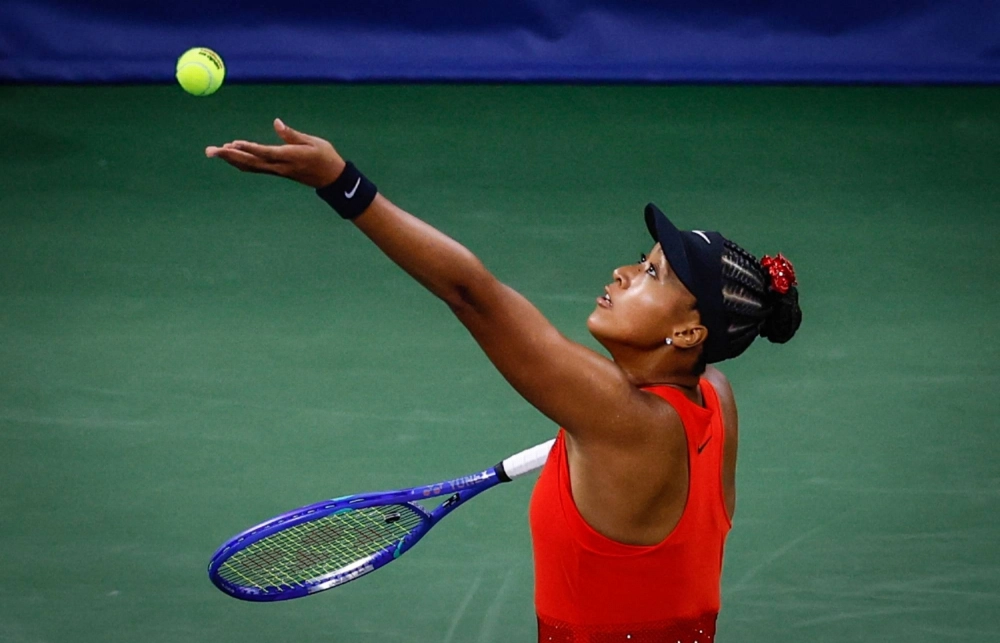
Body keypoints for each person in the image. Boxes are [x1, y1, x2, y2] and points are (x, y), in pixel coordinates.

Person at [206, 119, 802, 642]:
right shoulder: (714, 398)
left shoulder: (621, 420)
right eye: (640, 260)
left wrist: (342, 184)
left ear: (691, 335)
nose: (622, 273)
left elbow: (473, 296)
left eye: (652, 273)